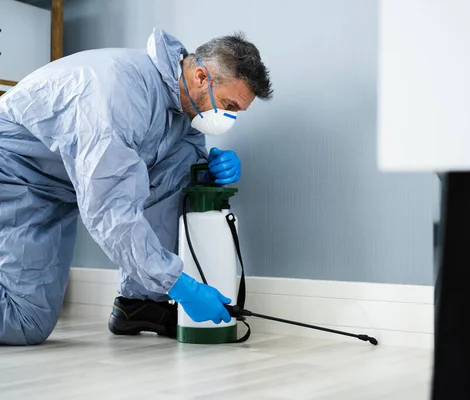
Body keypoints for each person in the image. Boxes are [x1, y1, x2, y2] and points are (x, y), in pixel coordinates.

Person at [0, 28, 273, 345]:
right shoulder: (120, 94)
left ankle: (139, 303)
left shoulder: (180, 109)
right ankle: (152, 288)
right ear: (201, 77)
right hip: (14, 174)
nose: (229, 118)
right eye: (230, 105)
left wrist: (209, 169)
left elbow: (180, 169)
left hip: (56, 189)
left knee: (184, 165)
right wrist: (177, 283)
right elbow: (110, 208)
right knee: (24, 322)